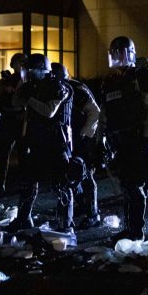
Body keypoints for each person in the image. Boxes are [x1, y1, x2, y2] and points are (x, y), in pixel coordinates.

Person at [98, 36, 148, 241]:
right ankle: (130, 228)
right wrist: (101, 139)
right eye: (114, 53)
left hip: (137, 139)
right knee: (126, 186)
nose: (117, 57)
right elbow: (105, 113)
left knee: (134, 186)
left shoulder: (141, 77)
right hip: (119, 141)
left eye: (121, 53)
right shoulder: (110, 81)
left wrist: (146, 138)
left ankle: (136, 231)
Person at [9, 54, 74, 231]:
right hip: (36, 141)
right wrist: (21, 87)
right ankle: (24, 218)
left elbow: (49, 111)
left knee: (61, 184)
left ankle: (65, 224)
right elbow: (15, 102)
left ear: (40, 70)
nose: (28, 75)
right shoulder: (31, 86)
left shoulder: (57, 86)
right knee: (28, 182)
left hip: (55, 142)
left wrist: (29, 98)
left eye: (30, 71)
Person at [51, 62, 102, 228]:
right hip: (71, 137)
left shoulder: (77, 89)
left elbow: (94, 112)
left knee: (85, 175)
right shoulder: (60, 88)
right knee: (72, 174)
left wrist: (84, 135)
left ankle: (93, 214)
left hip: (84, 137)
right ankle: (82, 206)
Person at [0, 53, 27, 193]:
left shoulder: (26, 80)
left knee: (22, 153)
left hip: (20, 117)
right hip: (8, 117)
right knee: (3, 154)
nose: (13, 64)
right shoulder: (8, 79)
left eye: (15, 62)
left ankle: (24, 184)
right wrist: (4, 86)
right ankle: (0, 185)